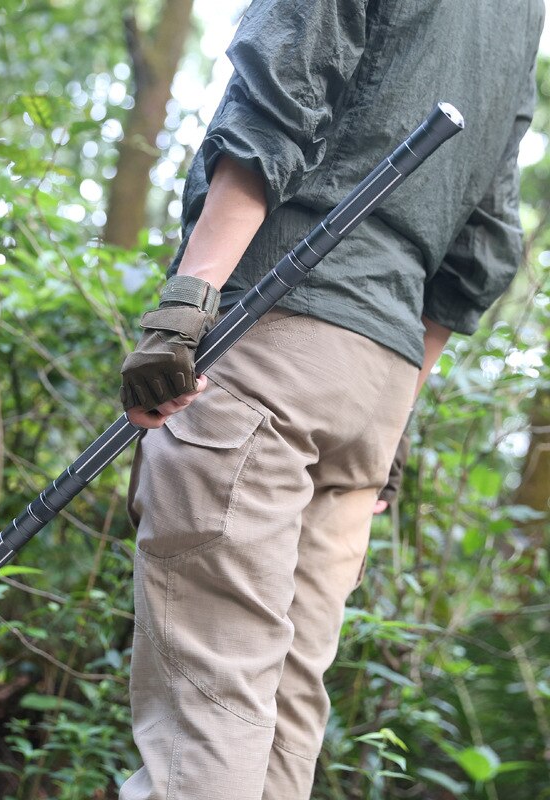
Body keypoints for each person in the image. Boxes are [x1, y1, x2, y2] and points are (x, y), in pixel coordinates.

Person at [116, 1, 545, 798]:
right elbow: (484, 238)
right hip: (377, 386)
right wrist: (396, 420)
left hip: (269, 341)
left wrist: (186, 305)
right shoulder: (521, 14)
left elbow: (279, 93)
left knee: (212, 712)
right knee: (283, 711)